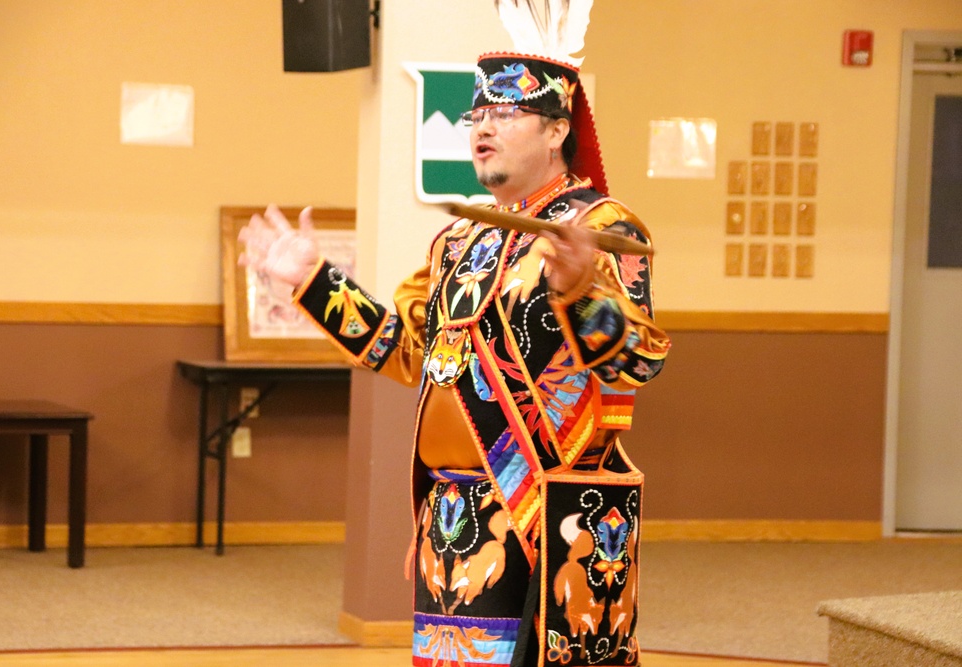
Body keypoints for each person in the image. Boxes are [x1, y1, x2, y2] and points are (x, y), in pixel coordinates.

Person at [239, 49, 670, 667]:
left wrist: (581, 293)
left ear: (557, 131)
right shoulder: (460, 239)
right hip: (450, 515)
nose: (484, 128)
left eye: (506, 113)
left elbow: (637, 363)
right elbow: (410, 353)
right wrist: (313, 282)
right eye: (477, 116)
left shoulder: (600, 227)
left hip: (544, 516)